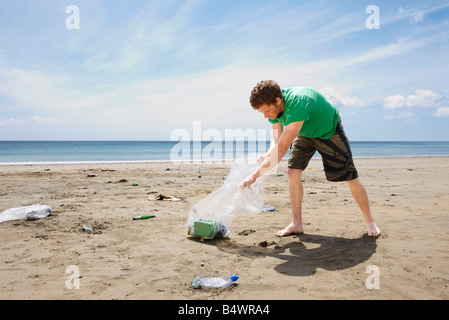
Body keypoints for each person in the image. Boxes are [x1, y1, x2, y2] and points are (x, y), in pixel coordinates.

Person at [239, 80, 380, 237]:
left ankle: (370, 222)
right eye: (262, 113)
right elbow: (276, 141)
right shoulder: (274, 108)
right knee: (292, 172)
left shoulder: (299, 103)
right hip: (305, 132)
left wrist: (253, 176)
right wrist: (268, 153)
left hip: (328, 131)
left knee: (351, 178)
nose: (266, 116)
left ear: (278, 101)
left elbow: (281, 150)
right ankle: (296, 224)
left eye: (266, 111)